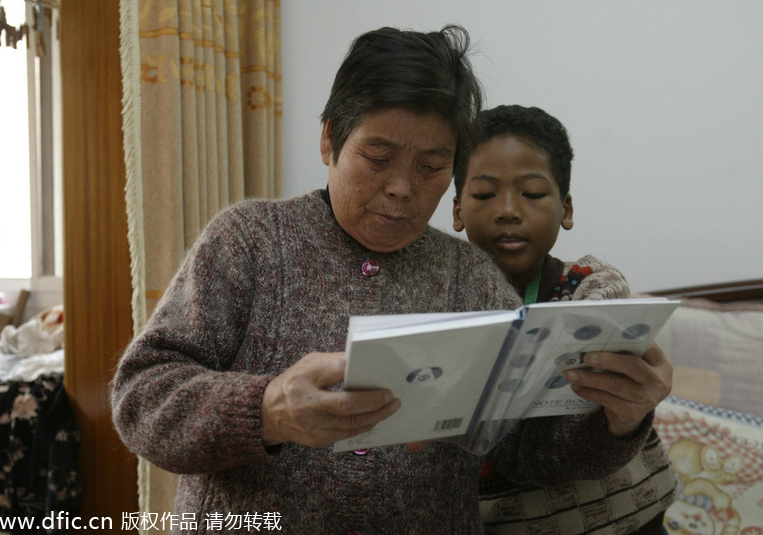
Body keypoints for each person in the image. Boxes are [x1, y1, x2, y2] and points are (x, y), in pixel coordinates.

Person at [111, 26, 668, 534]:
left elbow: (528, 452)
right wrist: (267, 408)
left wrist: (620, 419)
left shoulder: (472, 279)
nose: (403, 187)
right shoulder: (249, 241)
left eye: (431, 167)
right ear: (330, 140)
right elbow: (140, 398)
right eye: (377, 155)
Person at [452, 104, 677, 534]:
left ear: (566, 209)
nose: (508, 211)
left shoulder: (592, 287)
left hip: (630, 522)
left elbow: (559, 444)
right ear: (458, 210)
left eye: (532, 194)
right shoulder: (441, 310)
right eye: (484, 195)